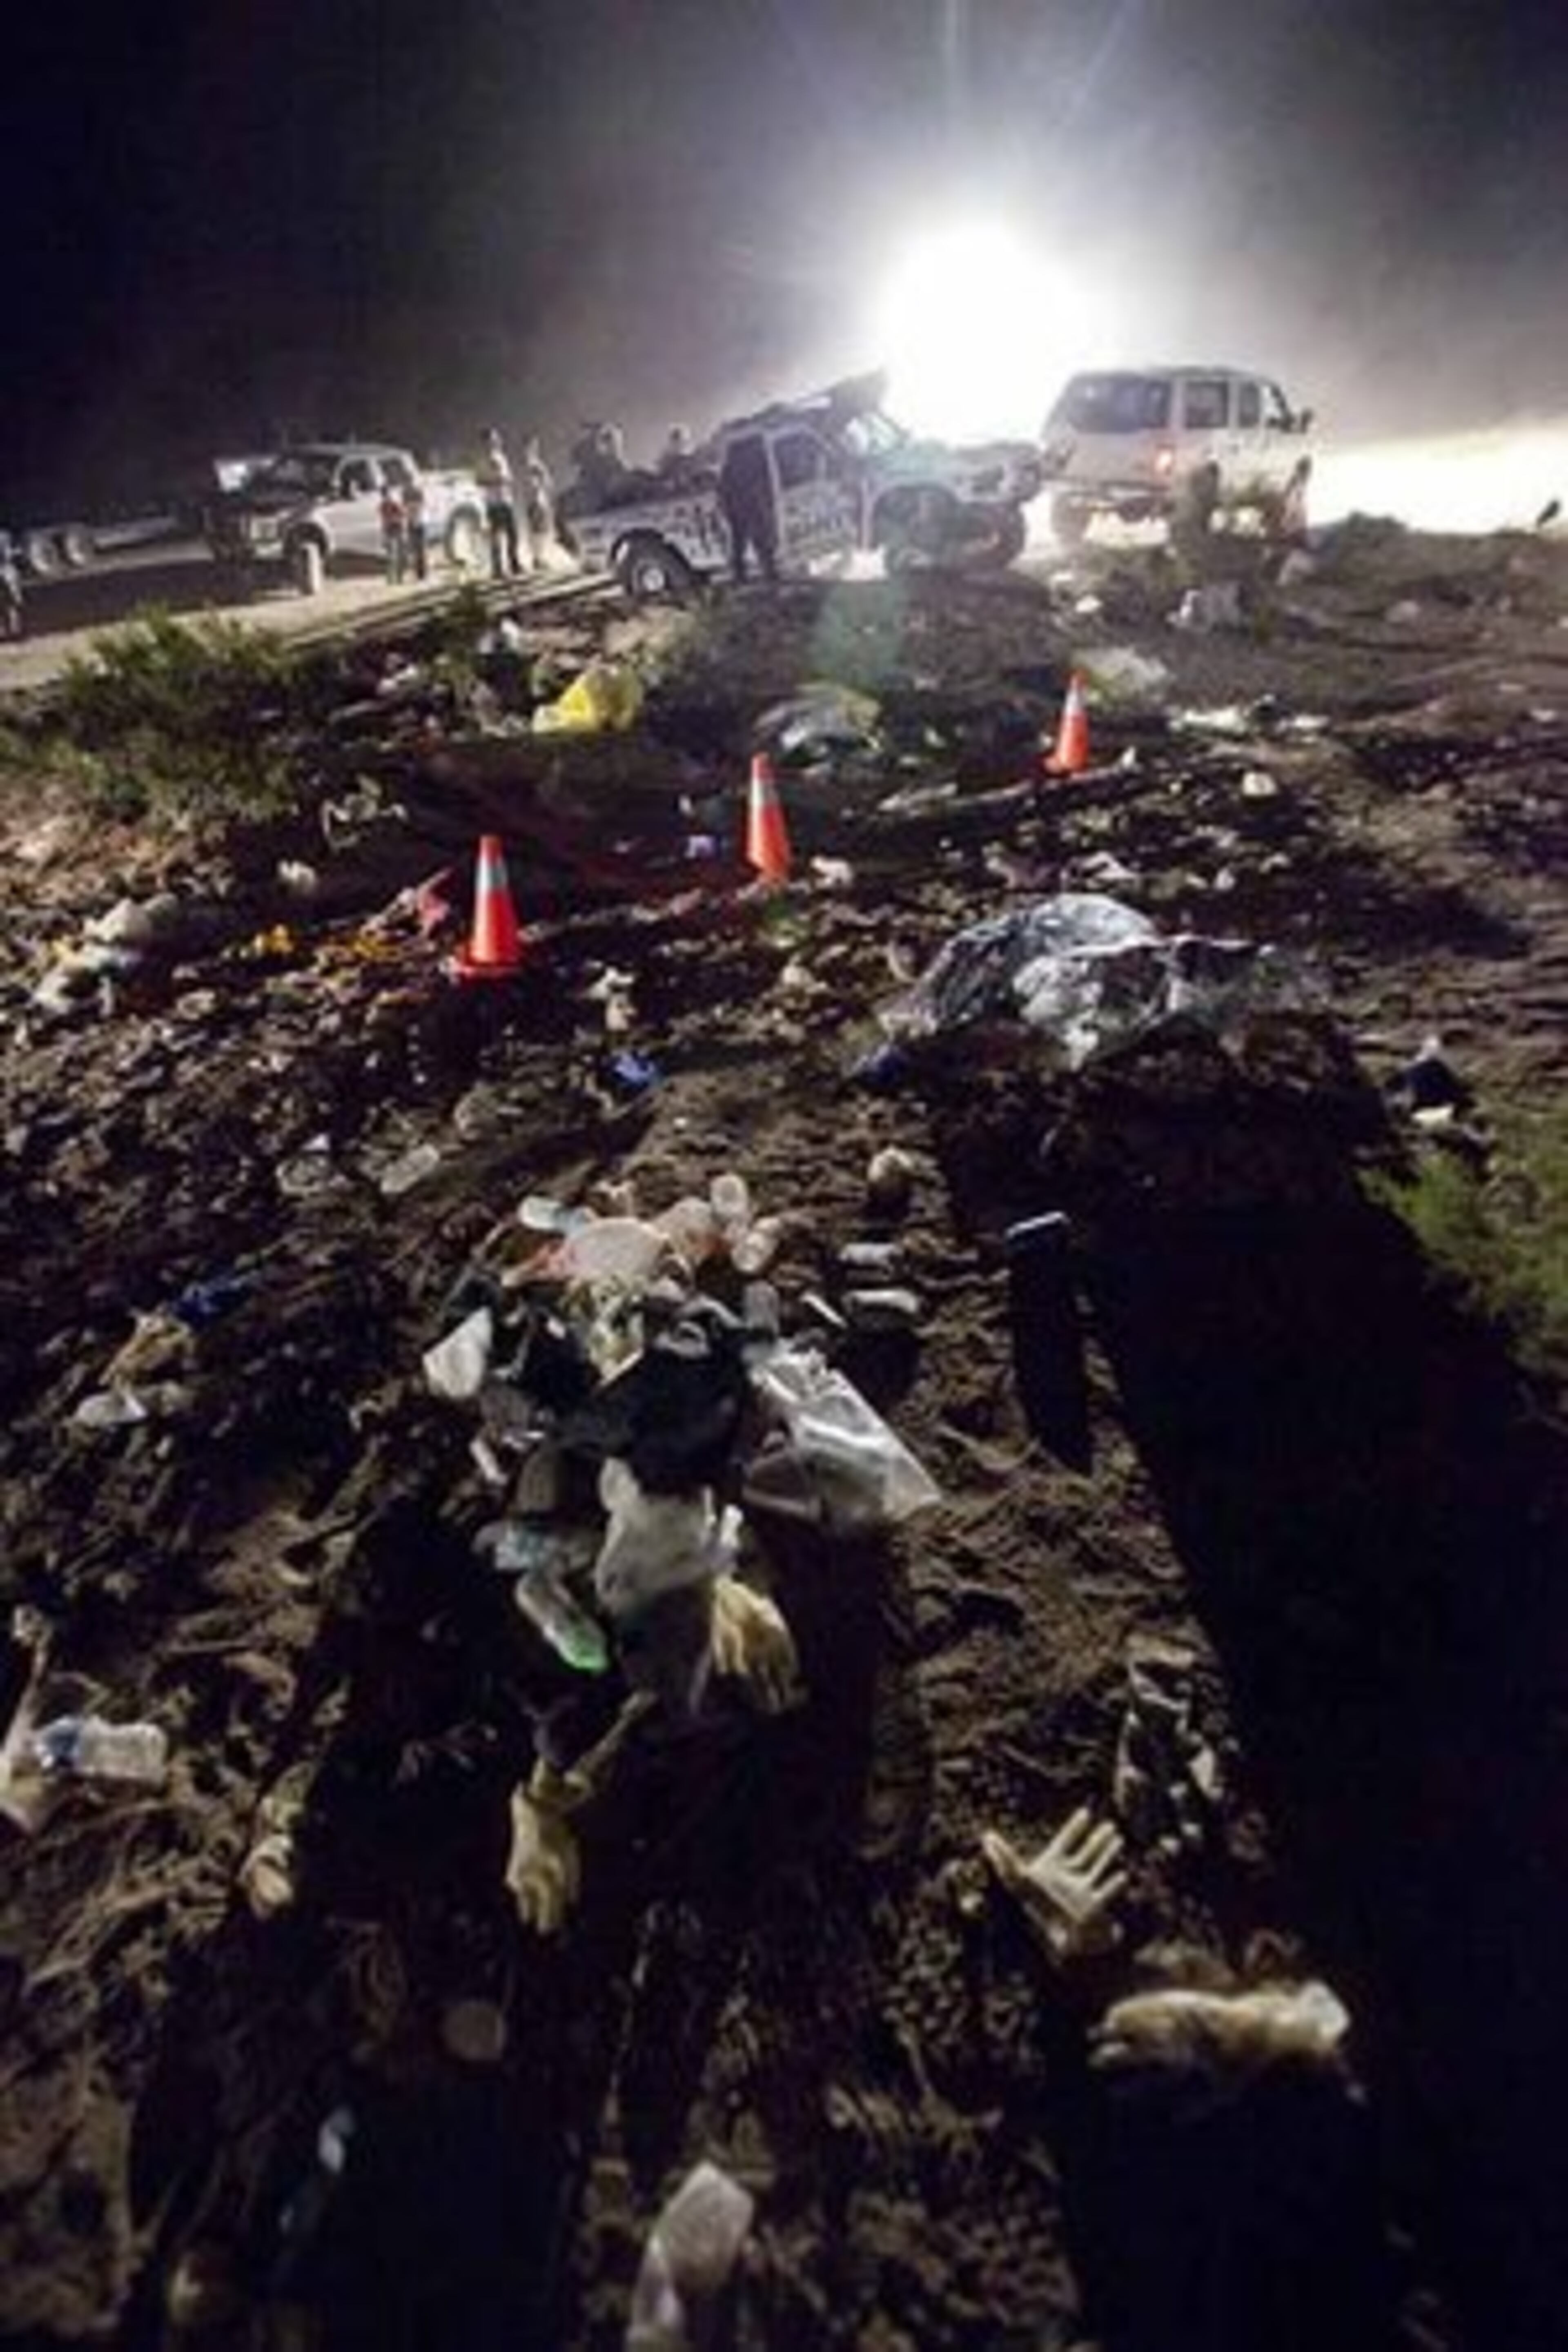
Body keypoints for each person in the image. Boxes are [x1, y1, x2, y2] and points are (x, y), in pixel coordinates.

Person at [717, 433, 777, 585]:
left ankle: (741, 577)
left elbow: (723, 492)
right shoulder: (754, 462)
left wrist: (727, 512)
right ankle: (769, 574)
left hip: (738, 512)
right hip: (751, 508)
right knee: (760, 542)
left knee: (740, 545)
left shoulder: (728, 467)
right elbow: (762, 484)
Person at [477, 428, 521, 577]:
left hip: (506, 499)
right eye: (493, 439)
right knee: (496, 537)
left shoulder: (502, 457)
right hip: (493, 503)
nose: (496, 441)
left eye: (497, 438)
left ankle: (514, 563)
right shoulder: (482, 459)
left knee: (513, 534)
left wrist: (508, 481)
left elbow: (509, 477)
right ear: (486, 442)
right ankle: (497, 569)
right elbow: (479, 481)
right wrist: (494, 481)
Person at [521, 436, 555, 571]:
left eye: (535, 445)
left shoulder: (535, 463)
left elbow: (547, 482)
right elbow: (535, 484)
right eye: (531, 446)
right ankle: (538, 559)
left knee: (542, 530)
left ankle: (539, 558)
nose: (534, 448)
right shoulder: (531, 464)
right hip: (536, 501)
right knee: (538, 531)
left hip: (540, 500)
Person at [378, 482, 408, 584]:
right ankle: (392, 578)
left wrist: (394, 520)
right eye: (385, 494)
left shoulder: (393, 504)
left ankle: (398, 578)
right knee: (392, 556)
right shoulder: (384, 506)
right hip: (392, 530)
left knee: (397, 556)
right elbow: (384, 520)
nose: (386, 496)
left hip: (397, 529)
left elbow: (403, 515)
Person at [404, 475, 429, 581]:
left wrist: (413, 514)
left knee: (419, 549)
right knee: (418, 549)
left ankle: (422, 573)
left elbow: (420, 505)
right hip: (415, 521)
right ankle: (420, 573)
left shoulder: (410, 492)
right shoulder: (408, 492)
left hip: (418, 522)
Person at [0, 534, 23, 641]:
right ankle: (15, 631)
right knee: (12, 604)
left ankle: (7, 630)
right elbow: (9, 554)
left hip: (6, 571)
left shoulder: (4, 537)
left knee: (8, 605)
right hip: (7, 572)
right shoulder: (5, 536)